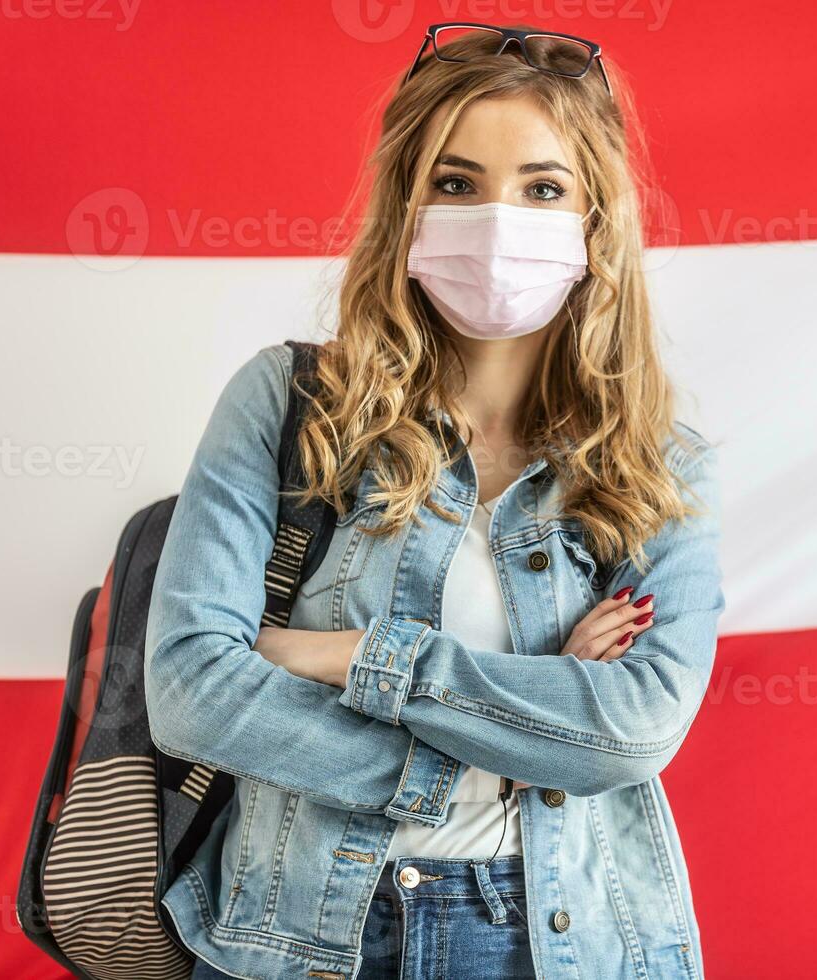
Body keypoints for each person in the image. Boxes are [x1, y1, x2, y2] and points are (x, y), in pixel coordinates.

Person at [145, 22, 724, 979]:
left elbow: (631, 727)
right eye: (456, 184)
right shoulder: (291, 408)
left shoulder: (656, 463)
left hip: (549, 943)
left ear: (595, 220)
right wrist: (512, 734)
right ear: (407, 209)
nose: (499, 222)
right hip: (294, 939)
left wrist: (345, 658)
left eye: (543, 188)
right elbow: (192, 693)